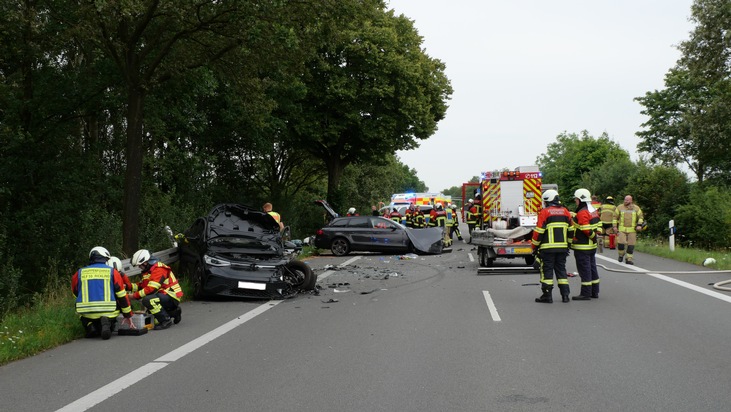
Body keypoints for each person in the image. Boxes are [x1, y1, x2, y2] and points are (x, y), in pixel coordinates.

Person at [71, 246, 133, 339]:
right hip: (108, 310)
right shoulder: (113, 272)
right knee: (110, 324)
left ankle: (89, 325)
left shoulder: (79, 273)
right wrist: (127, 314)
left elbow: (75, 292)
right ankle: (107, 322)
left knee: (81, 312)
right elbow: (121, 295)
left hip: (86, 311)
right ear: (105, 259)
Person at [531, 189, 574, 303]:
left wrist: (534, 246)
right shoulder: (565, 212)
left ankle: (547, 296)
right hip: (563, 248)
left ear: (547, 200)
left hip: (547, 249)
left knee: (547, 272)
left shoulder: (545, 212)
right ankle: (565, 295)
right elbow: (571, 230)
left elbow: (539, 232)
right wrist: (568, 245)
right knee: (561, 271)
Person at [129, 249, 183, 329]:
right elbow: (141, 286)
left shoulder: (159, 269)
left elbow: (151, 289)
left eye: (140, 265)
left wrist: (133, 296)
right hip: (164, 295)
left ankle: (165, 320)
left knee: (148, 300)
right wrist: (127, 286)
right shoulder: (150, 271)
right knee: (152, 310)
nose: (140, 267)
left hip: (171, 296)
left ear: (146, 262)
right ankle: (174, 312)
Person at [571, 189, 601, 300]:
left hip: (582, 246)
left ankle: (586, 293)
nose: (575, 201)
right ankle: (595, 291)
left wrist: (593, 237)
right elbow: (599, 223)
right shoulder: (593, 210)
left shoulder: (582, 212)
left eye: (576, 199)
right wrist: (596, 235)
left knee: (584, 269)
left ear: (580, 199)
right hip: (591, 247)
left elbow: (585, 228)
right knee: (592, 268)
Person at [613, 195, 644, 265]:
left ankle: (628, 259)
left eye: (627, 200)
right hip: (622, 229)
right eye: (625, 200)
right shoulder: (619, 207)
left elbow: (641, 217)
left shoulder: (636, 208)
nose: (625, 201)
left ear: (631, 201)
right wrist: (614, 227)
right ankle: (621, 254)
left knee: (631, 246)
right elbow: (615, 217)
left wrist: (639, 225)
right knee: (620, 244)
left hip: (632, 230)